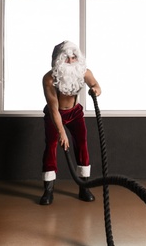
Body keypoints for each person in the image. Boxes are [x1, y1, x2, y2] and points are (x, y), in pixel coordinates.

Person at [40, 40, 101, 205]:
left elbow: (95, 84)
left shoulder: (83, 72)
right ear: (59, 59)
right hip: (56, 114)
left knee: (82, 144)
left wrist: (95, 89)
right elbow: (53, 109)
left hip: (74, 112)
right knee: (51, 146)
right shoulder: (49, 79)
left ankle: (84, 187)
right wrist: (61, 132)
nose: (71, 61)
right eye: (67, 58)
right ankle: (48, 190)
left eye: (74, 57)